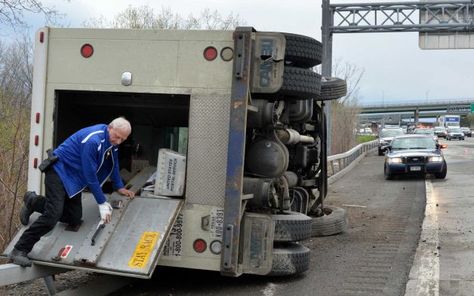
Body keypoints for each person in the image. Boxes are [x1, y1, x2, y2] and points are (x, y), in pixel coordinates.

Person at [9, 117, 135, 267]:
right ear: (110, 128)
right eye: (117, 137)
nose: (119, 141)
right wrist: (102, 202)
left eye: (123, 139)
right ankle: (19, 249)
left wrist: (119, 186)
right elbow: (90, 176)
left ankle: (33, 201)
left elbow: (113, 163)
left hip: (74, 179)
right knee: (52, 217)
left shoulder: (112, 142)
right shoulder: (93, 141)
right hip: (59, 172)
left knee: (74, 218)